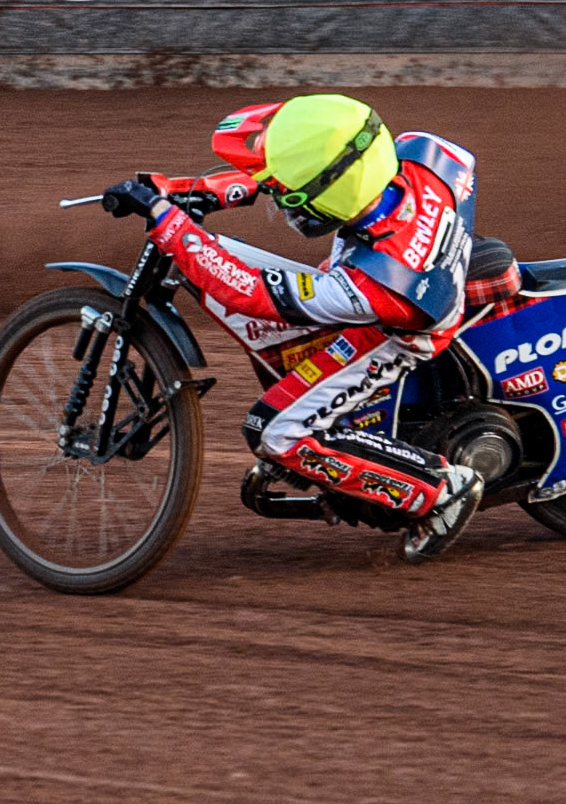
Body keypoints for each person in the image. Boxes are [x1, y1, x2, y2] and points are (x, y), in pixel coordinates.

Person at [103, 94, 488, 560]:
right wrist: (196, 190)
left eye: (288, 197)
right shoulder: (418, 152)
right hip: (413, 267)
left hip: (393, 331)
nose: (280, 202)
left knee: (272, 432)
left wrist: (169, 223)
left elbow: (248, 292)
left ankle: (437, 490)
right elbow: (315, 164)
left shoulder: (366, 287)